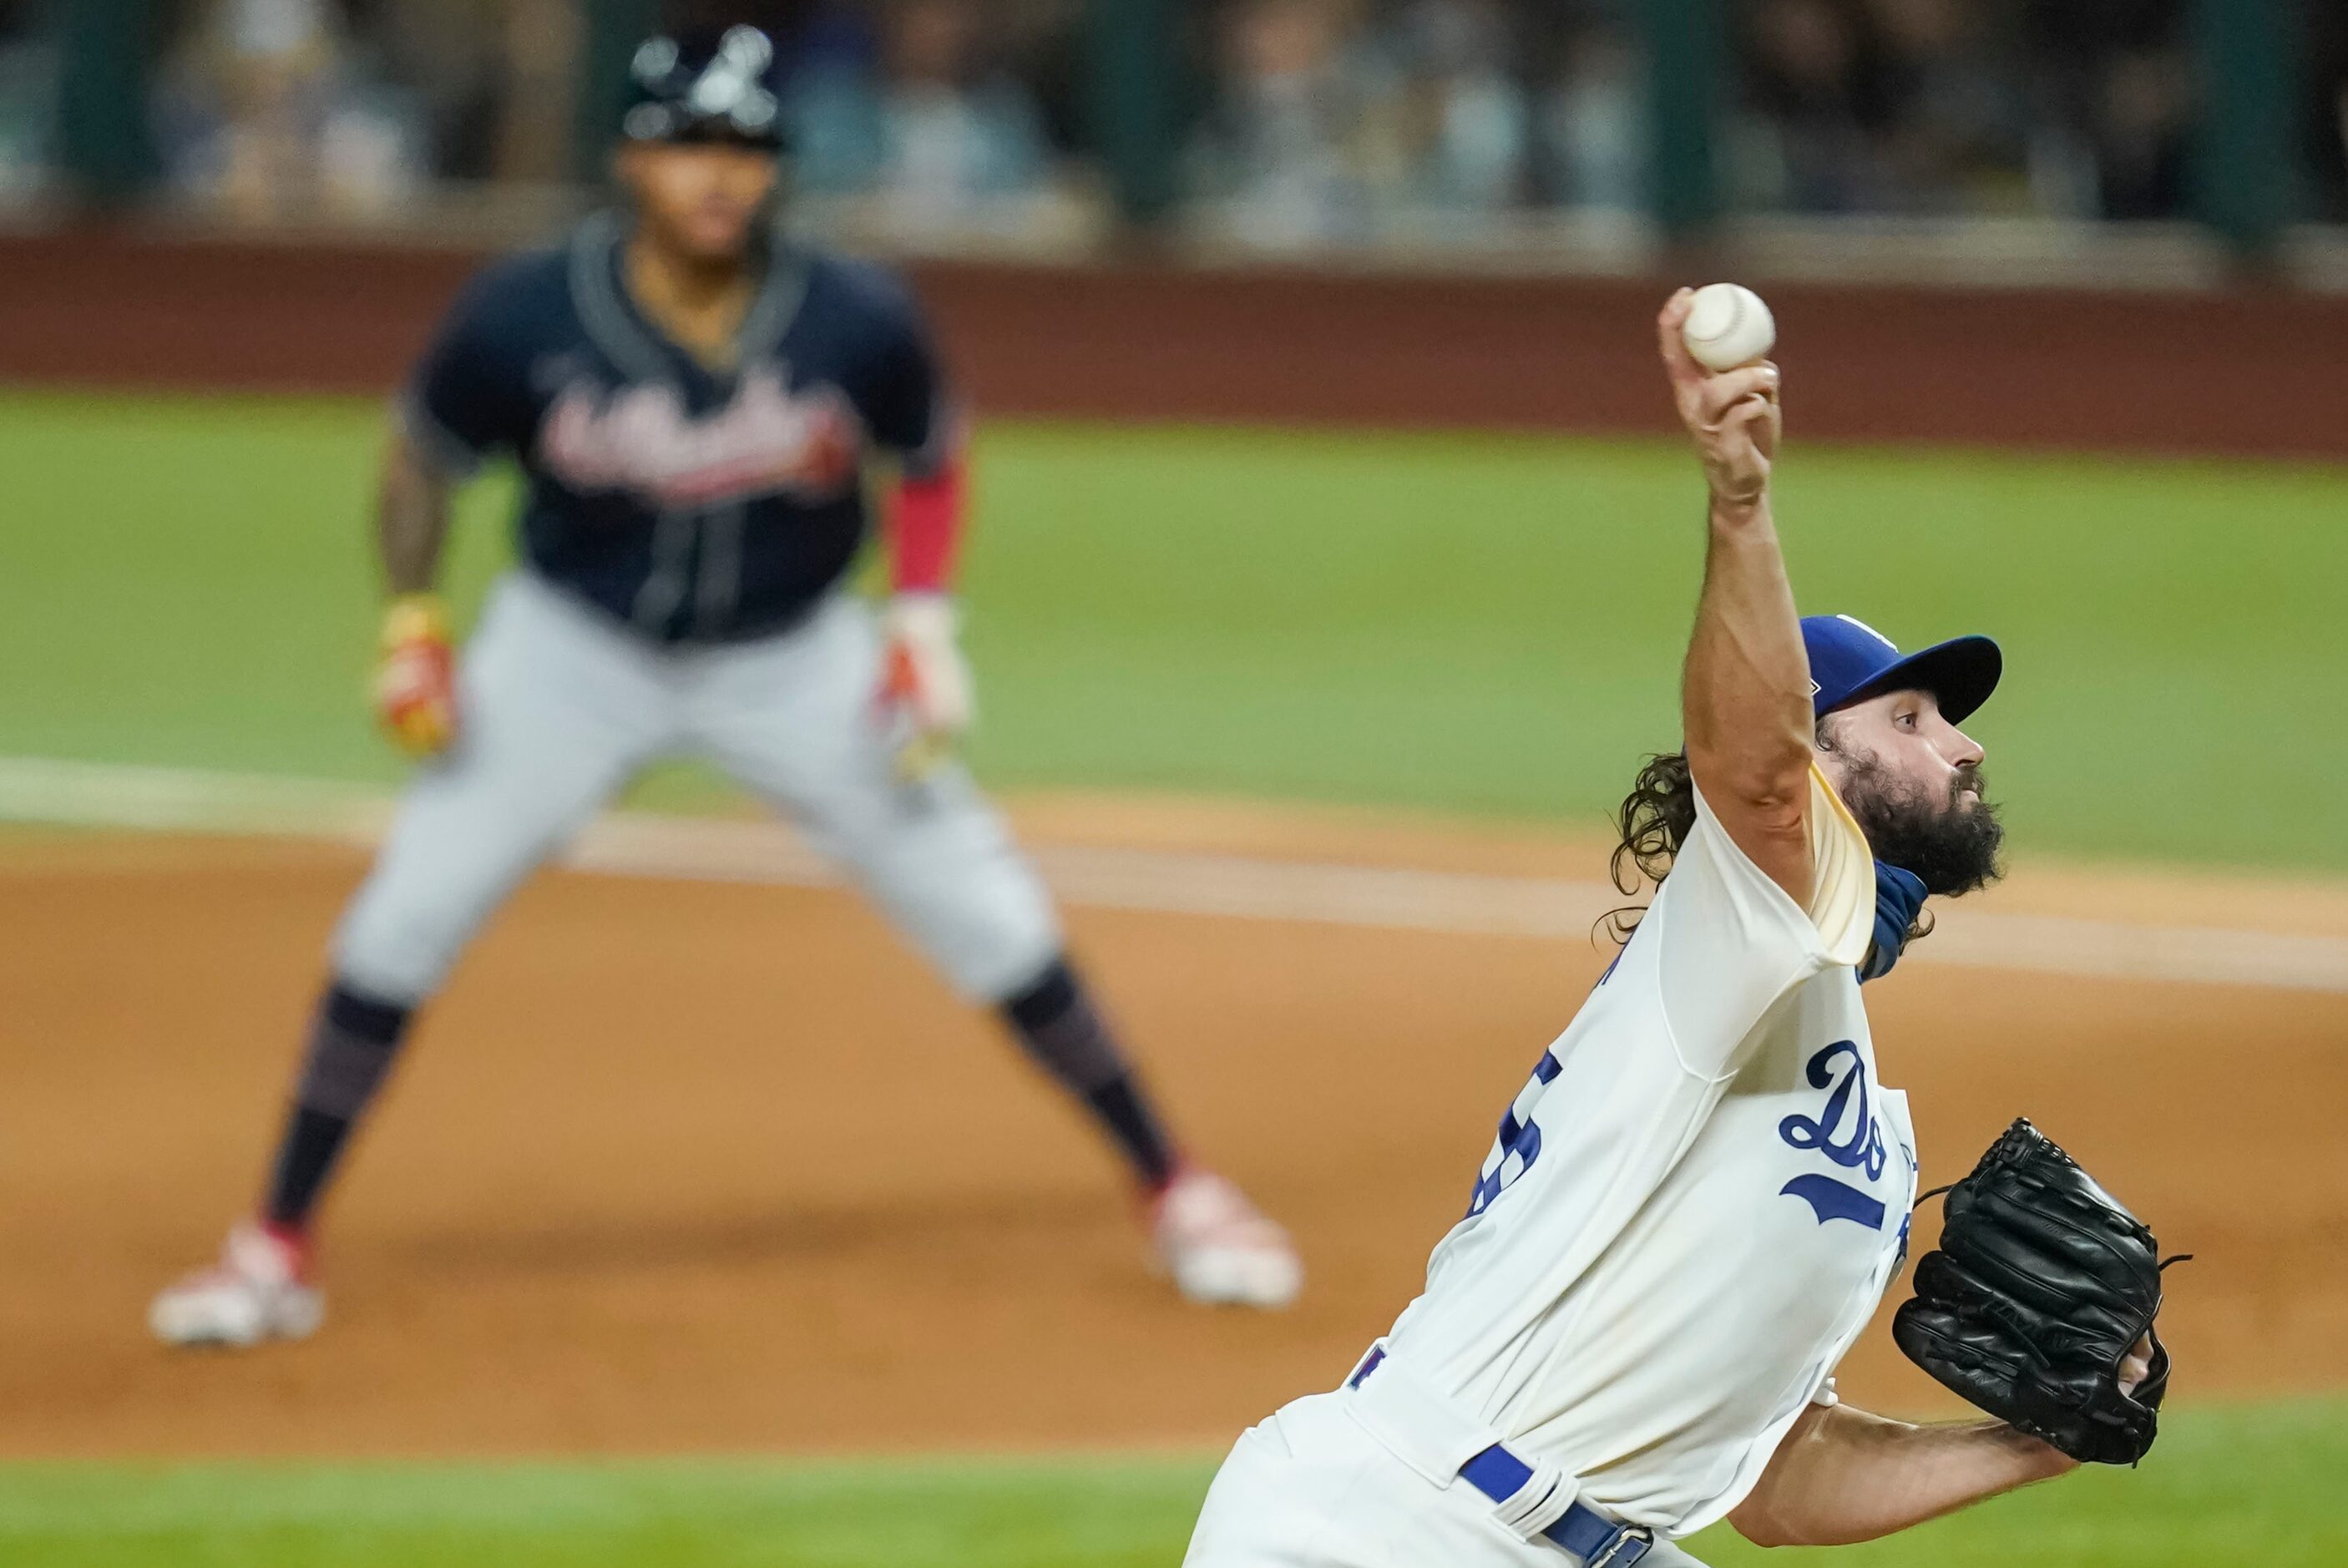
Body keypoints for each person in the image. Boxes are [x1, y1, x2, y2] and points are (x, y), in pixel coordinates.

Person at [149, 24, 1300, 1349]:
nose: (718, 175)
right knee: (401, 922)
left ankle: (1180, 1188)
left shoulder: (853, 315)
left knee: (985, 906)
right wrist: (412, 623)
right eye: (691, 144)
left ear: (777, 171)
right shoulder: (525, 310)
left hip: (794, 654)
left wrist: (923, 622)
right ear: (633, 157)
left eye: (747, 148)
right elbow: (423, 458)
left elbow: (932, 450)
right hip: (569, 654)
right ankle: (272, 1245)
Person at [1179, 291, 2155, 1566]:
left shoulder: (1830, 1057)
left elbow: (1777, 1484)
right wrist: (1740, 504)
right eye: (1908, 719)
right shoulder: (1739, 923)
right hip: (1397, 1523)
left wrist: (2051, 1437)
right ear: (1810, 751)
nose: (1965, 745)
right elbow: (1750, 772)